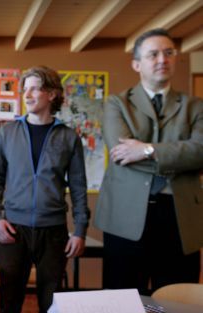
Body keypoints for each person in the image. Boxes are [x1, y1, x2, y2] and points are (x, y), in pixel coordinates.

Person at [95, 28, 203, 295]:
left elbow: (200, 151)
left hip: (180, 216)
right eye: (152, 54)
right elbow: (121, 153)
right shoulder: (116, 103)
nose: (162, 60)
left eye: (168, 53)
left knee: (178, 299)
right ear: (136, 64)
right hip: (125, 217)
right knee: (123, 300)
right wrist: (181, 156)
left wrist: (146, 150)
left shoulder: (196, 106)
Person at [0, 66, 90, 313]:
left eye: (34, 88)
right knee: (9, 302)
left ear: (52, 94)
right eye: (25, 89)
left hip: (54, 232)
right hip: (13, 229)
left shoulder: (68, 137)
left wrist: (80, 231)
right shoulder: (8, 132)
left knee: (51, 303)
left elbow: (78, 187)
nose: (27, 94)